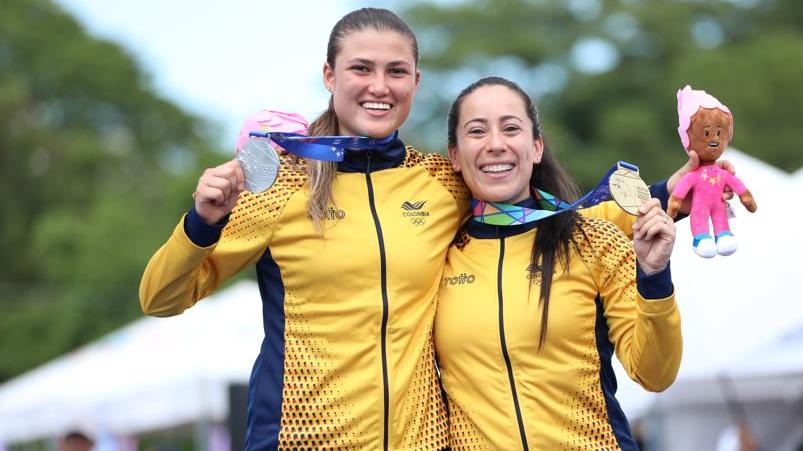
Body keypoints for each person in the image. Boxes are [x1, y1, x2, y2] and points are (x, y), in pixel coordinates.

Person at [139, 8, 692, 450]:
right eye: (361, 68)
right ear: (330, 75)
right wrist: (202, 222)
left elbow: (539, 218)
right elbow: (161, 298)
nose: (379, 86)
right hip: (300, 437)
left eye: (395, 71)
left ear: (415, 82)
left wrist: (674, 193)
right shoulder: (281, 185)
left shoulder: (441, 181)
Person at [433, 76, 682, 450]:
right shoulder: (437, 256)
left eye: (511, 128)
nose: (495, 144)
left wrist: (654, 276)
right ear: (454, 155)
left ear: (536, 147)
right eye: (477, 131)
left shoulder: (592, 241)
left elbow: (656, 373)